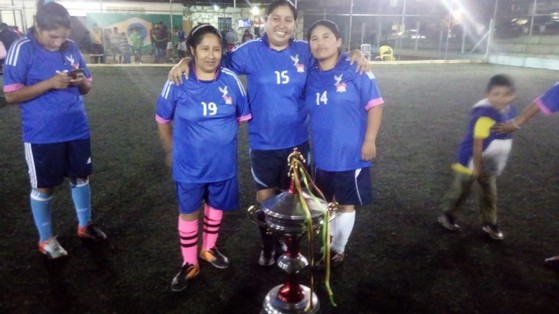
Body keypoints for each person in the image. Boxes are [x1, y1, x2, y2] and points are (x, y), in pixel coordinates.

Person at [168, 0, 370, 267]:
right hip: (262, 142)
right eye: (276, 18)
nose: (282, 25)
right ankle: (268, 244)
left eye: (288, 19)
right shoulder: (249, 51)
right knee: (265, 198)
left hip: (297, 142)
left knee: (296, 199)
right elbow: (212, 59)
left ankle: (290, 244)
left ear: (293, 25)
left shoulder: (304, 50)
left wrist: (355, 52)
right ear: (266, 21)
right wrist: (185, 58)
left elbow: (330, 53)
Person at [2, 0, 107, 259]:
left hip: (77, 128)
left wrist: (81, 81)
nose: (58, 42)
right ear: (38, 26)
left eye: (63, 36)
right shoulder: (21, 49)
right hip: (42, 134)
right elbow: (11, 96)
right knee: (44, 186)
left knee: (81, 178)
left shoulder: (71, 48)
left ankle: (85, 226)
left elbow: (87, 87)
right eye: (53, 36)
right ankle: (46, 240)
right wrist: (50, 83)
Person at [155, 23, 251, 292]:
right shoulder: (177, 81)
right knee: (188, 211)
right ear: (192, 51)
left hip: (222, 164)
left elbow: (242, 117)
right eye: (205, 49)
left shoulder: (231, 81)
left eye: (217, 49)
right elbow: (162, 119)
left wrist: (219, 137)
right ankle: (189, 262)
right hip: (189, 165)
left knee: (216, 206)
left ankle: (208, 249)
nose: (211, 55)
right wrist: (170, 149)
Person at [305, 20, 384, 267]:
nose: (320, 43)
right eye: (314, 38)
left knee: (346, 203)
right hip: (321, 153)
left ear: (338, 41)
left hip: (350, 153)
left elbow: (375, 105)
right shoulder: (310, 73)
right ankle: (326, 244)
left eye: (326, 36)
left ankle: (338, 250)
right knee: (326, 203)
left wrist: (370, 140)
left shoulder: (355, 68)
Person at [437, 74, 517, 240]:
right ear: (487, 94)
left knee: (489, 193)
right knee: (460, 191)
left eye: (506, 94)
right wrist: (478, 167)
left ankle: (490, 222)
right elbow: (477, 144)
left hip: (489, 161)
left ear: (513, 95)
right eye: (496, 94)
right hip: (469, 161)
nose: (501, 99)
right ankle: (448, 215)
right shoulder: (484, 115)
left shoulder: (510, 111)